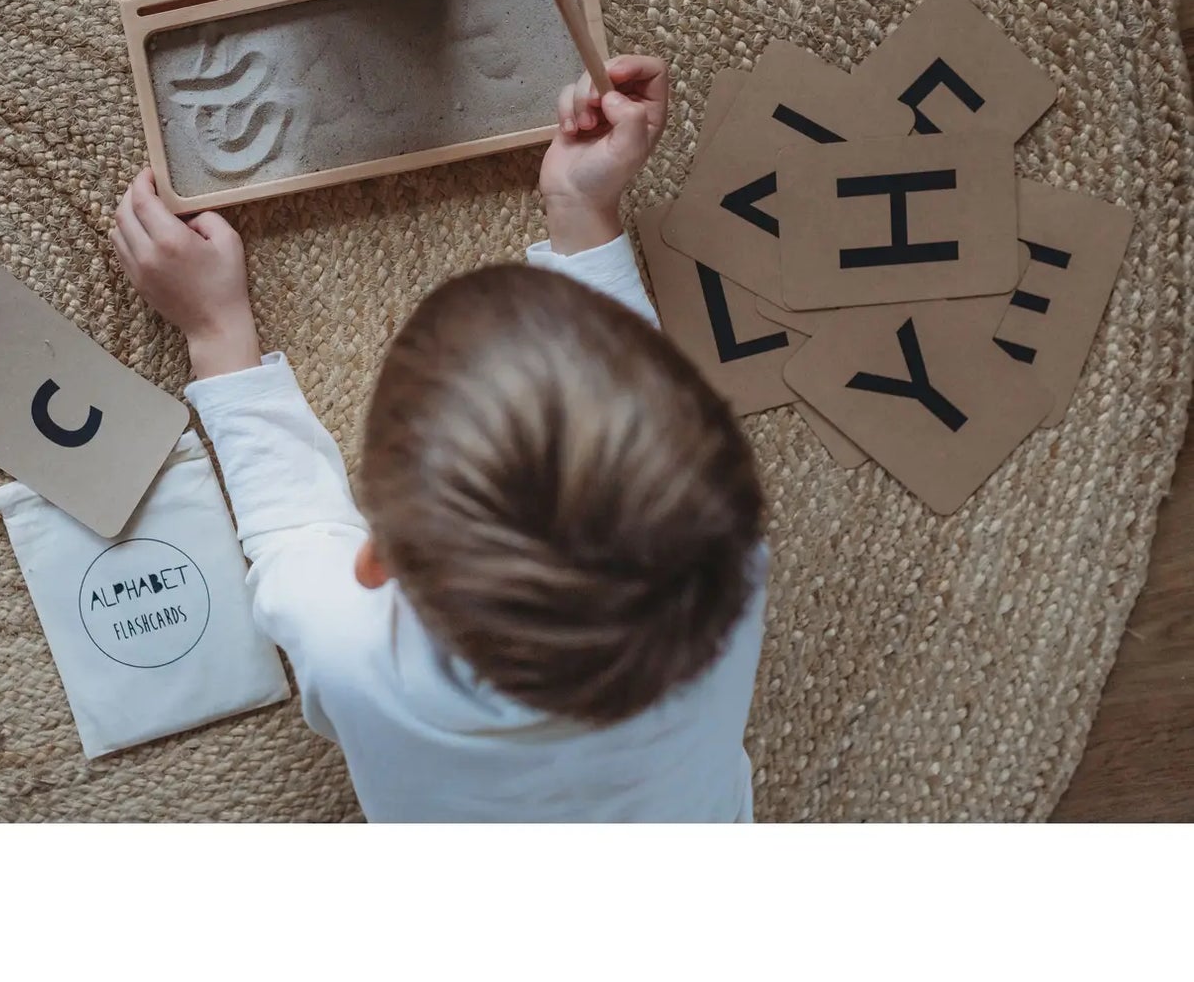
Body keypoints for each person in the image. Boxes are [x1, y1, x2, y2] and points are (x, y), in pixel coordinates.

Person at [111, 56, 767, 821]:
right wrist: (582, 212)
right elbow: (646, 431)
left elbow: (291, 526)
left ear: (374, 557)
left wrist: (214, 325)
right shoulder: (728, 562)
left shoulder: (352, 652)